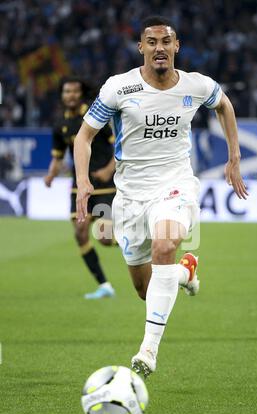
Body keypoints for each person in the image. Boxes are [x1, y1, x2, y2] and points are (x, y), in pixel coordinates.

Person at [74, 16, 248, 376]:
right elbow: (83, 137)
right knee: (145, 289)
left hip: (176, 185)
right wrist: (83, 181)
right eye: (151, 42)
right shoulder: (118, 90)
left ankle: (147, 352)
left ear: (176, 47)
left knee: (164, 246)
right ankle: (185, 273)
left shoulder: (196, 86)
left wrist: (234, 155)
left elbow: (224, 106)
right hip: (131, 196)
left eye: (166, 42)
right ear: (141, 48)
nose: (159, 48)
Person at [44, 77, 116, 299]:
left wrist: (108, 170)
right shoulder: (60, 125)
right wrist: (50, 175)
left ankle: (138, 242)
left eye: (75, 91)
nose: (71, 96)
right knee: (80, 233)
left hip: (103, 186)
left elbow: (121, 147)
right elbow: (58, 157)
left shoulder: (97, 116)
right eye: (67, 92)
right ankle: (104, 285)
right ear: (62, 95)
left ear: (81, 93)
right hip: (79, 187)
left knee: (104, 238)